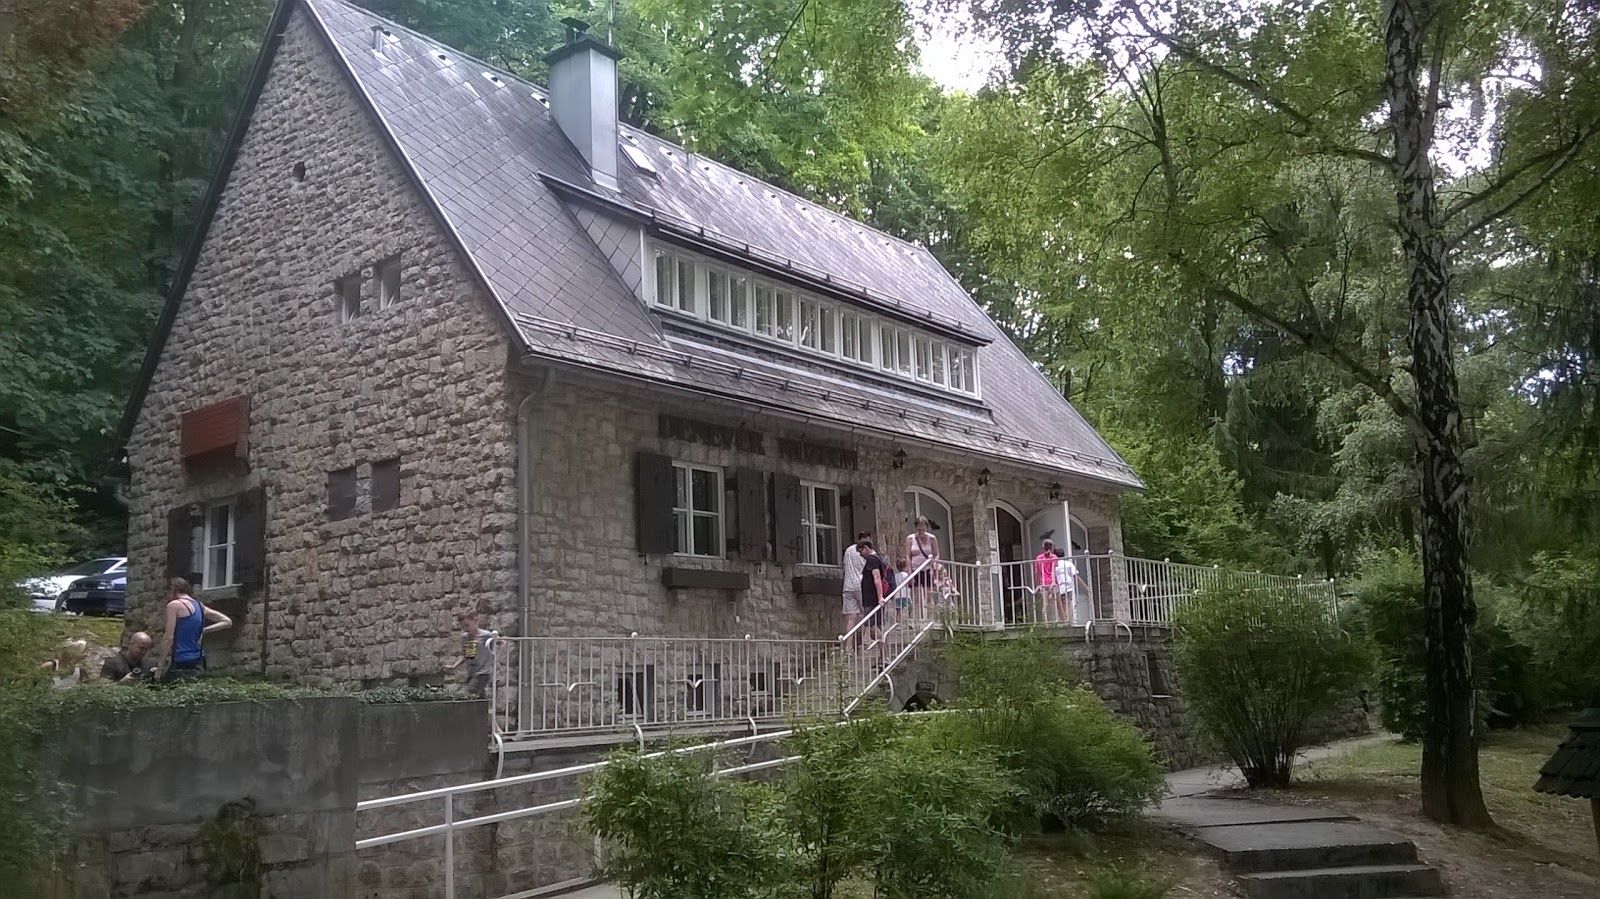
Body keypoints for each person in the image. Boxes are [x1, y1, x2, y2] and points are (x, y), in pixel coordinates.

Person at [154, 578, 232, 684]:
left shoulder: (174, 605)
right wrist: (204, 630)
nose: (167, 597)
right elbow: (227, 621)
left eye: (167, 593)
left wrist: (159, 669)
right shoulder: (200, 606)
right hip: (199, 660)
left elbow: (168, 638)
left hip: (181, 661)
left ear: (173, 590)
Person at [446, 610, 498, 697]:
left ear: (475, 621)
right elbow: (465, 655)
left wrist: (500, 642)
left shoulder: (486, 635)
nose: (466, 629)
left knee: (470, 692)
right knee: (479, 698)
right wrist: (454, 666)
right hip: (471, 672)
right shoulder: (465, 637)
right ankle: (481, 709)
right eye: (463, 627)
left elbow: (499, 640)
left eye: (467, 625)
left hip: (483, 672)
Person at [856, 539, 890, 647]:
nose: (860, 555)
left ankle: (885, 652)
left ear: (866, 548)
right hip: (874, 598)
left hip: (872, 599)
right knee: (876, 626)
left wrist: (880, 597)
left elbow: (877, 577)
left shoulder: (872, 560)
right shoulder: (879, 558)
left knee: (872, 627)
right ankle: (882, 657)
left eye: (860, 551)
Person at [903, 516, 939, 613]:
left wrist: (934, 564)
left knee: (929, 595)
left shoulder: (932, 538)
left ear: (927, 528)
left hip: (928, 569)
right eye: (919, 529)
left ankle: (931, 618)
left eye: (923, 529)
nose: (921, 531)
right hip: (915, 570)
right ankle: (918, 621)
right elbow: (907, 556)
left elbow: (936, 554)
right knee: (917, 597)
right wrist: (910, 573)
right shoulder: (910, 539)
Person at [840, 530, 871, 636]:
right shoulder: (865, 551)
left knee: (851, 618)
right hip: (861, 584)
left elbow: (845, 566)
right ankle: (864, 640)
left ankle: (848, 648)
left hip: (848, 585)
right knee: (867, 613)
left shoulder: (848, 550)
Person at [1053, 547, 1091, 624]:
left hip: (1057, 588)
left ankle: (1065, 621)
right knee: (1066, 605)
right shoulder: (1069, 564)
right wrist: (1085, 587)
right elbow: (1076, 576)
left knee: (1060, 607)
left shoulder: (1054, 565)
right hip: (1068, 587)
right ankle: (1066, 622)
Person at [1034, 539, 1058, 620]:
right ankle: (1049, 622)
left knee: (1047, 604)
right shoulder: (1052, 557)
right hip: (1048, 583)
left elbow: (1036, 572)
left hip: (1047, 583)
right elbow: (1054, 571)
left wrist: (1037, 584)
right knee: (1050, 603)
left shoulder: (1039, 558)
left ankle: (1048, 622)